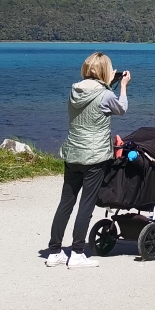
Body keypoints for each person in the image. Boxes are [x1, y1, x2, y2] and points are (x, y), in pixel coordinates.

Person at [46, 52, 129, 269]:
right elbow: (121, 108)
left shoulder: (74, 91)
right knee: (86, 204)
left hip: (73, 152)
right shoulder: (106, 95)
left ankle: (54, 251)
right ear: (104, 72)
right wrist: (123, 86)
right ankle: (77, 252)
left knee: (66, 202)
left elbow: (94, 97)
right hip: (94, 156)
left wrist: (109, 83)